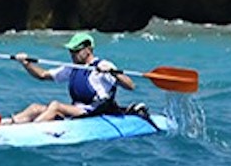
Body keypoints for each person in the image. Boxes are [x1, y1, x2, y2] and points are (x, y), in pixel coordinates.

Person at [9, 33, 138, 123]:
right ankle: (8, 124)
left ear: (88, 50)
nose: (72, 54)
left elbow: (131, 86)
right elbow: (43, 75)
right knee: (35, 108)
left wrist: (113, 72)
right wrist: (26, 64)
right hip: (77, 109)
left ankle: (33, 129)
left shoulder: (103, 65)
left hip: (93, 111)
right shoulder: (72, 67)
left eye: (76, 50)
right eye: (71, 51)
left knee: (55, 106)